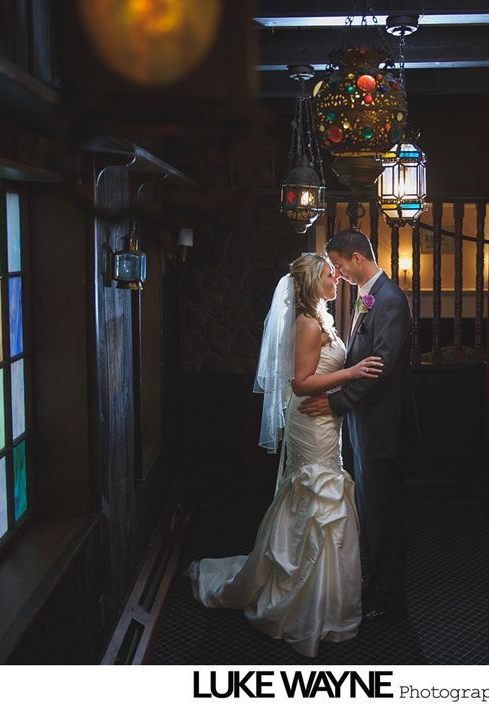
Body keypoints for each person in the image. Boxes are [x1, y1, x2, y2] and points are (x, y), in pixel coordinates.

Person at [187, 253, 383, 658]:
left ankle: (328, 604)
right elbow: (300, 384)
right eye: (331, 275)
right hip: (310, 420)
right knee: (316, 496)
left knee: (324, 497)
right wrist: (351, 373)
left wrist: (340, 392)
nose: (337, 279)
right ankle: (301, 603)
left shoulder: (323, 318)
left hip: (325, 418)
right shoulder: (308, 324)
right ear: (314, 283)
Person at [299, 228, 412, 622]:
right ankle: (376, 585)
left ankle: (388, 598)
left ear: (357, 259)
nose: (339, 273)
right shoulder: (367, 298)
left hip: (381, 428)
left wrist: (333, 403)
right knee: (370, 509)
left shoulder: (390, 301)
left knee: (383, 515)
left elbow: (378, 369)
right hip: (363, 426)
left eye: (341, 265)